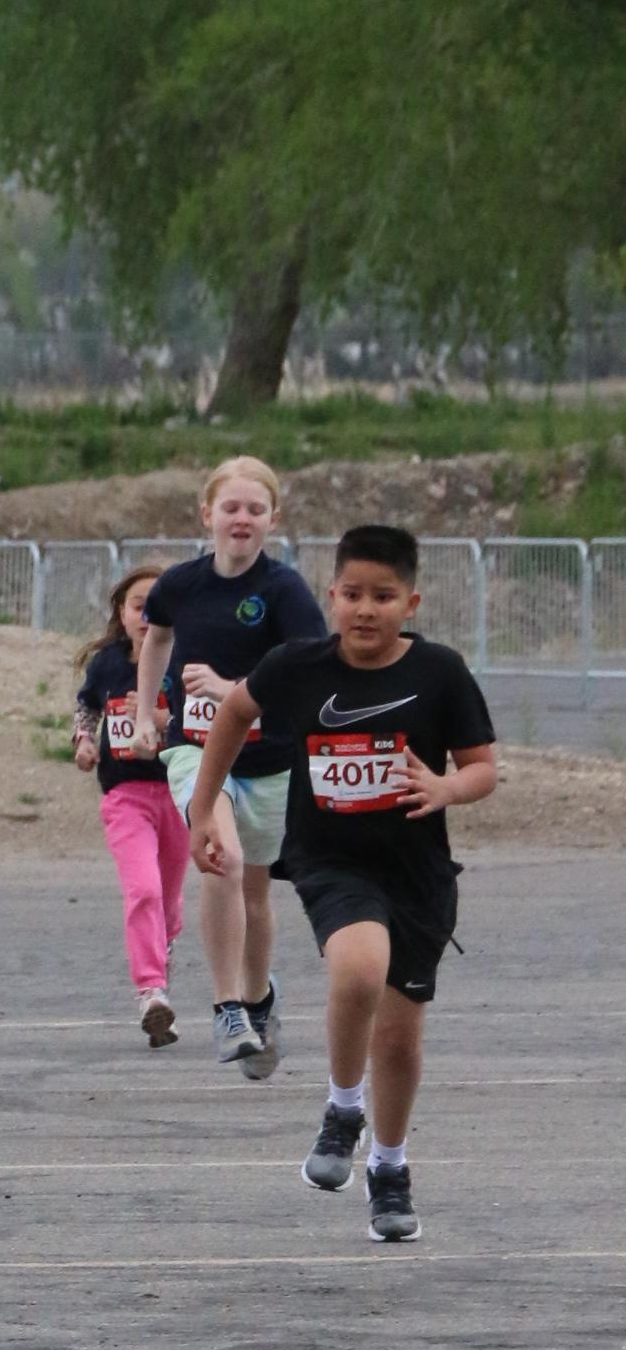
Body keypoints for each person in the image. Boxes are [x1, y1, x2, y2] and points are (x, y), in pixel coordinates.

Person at [188, 524, 496, 1248]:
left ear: (410, 603)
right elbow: (234, 712)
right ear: (331, 596)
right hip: (331, 861)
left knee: (399, 1038)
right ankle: (342, 1109)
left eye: (383, 597)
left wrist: (447, 787)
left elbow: (483, 767)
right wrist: (203, 808)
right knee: (357, 968)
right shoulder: (298, 665)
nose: (365, 609)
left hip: (417, 874)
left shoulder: (441, 672)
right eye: (352, 594)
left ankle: (389, 1169)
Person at [128, 457, 326, 1079]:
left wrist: (232, 688)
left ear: (274, 519)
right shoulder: (180, 584)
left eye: (255, 509)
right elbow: (156, 637)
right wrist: (146, 712)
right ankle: (227, 1008)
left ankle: (258, 996)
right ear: (206, 514)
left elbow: (309, 668)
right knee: (222, 858)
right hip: (196, 750)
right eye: (231, 507)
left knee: (255, 891)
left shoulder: (284, 591)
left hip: (269, 759)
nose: (242, 518)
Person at [73, 562, 191, 1045]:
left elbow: (208, 717)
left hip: (180, 791)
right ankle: (151, 992)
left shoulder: (186, 662)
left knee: (169, 903)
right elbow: (86, 706)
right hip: (126, 796)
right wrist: (83, 740)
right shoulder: (107, 664)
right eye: (138, 606)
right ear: (121, 612)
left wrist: (164, 721)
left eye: (156, 608)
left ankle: (161, 959)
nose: (147, 617)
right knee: (143, 890)